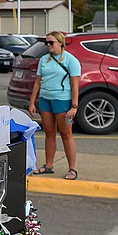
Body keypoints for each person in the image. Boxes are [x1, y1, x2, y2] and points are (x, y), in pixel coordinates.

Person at [28, 31, 81, 180]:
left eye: (51, 42)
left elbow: (75, 85)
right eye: (46, 43)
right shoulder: (44, 60)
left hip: (62, 101)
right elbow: (38, 82)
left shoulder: (71, 60)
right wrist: (32, 102)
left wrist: (74, 106)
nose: (48, 45)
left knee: (66, 133)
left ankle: (72, 168)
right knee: (49, 133)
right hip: (46, 99)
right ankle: (48, 165)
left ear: (61, 43)